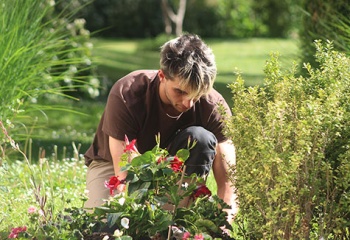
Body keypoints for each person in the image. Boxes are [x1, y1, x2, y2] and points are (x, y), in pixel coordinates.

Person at [84, 33, 237, 220]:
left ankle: (174, 219)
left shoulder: (213, 104)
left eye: (196, 95)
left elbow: (229, 184)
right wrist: (122, 219)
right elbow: (123, 174)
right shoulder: (128, 92)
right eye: (180, 91)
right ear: (162, 75)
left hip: (173, 170)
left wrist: (223, 226)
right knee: (106, 226)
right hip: (114, 165)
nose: (188, 103)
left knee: (202, 139)